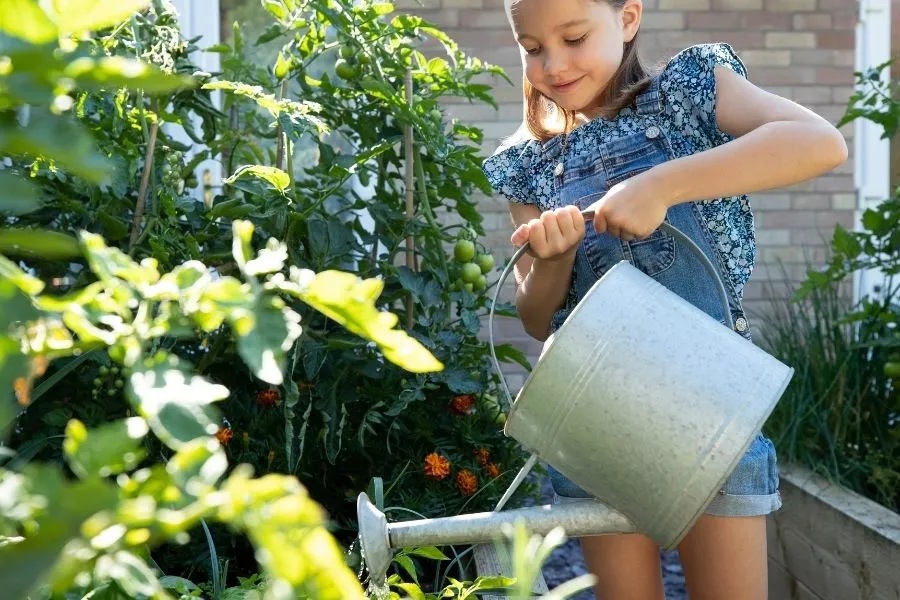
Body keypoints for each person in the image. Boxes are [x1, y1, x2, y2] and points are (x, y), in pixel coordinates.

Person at [482, 0, 848, 599]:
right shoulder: (528, 162)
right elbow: (536, 317)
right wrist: (552, 260)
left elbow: (819, 143)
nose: (553, 63)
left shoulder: (687, 92)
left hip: (713, 414)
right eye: (532, 47)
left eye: (574, 37)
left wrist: (661, 184)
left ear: (628, 19)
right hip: (596, 426)